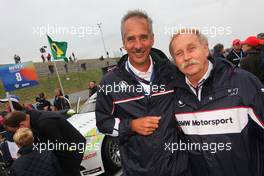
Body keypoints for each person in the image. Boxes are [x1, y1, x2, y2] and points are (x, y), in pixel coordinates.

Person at [96, 10, 189, 176]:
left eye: (144, 37)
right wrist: (131, 126)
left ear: (152, 39)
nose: (138, 45)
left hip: (178, 168)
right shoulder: (109, 83)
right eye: (131, 39)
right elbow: (103, 123)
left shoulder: (173, 72)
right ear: (123, 42)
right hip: (137, 171)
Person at [169, 28, 264, 176]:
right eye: (179, 53)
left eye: (191, 48)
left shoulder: (244, 82)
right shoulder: (174, 95)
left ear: (206, 49)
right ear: (175, 61)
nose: (186, 57)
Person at [3, 110, 86, 176]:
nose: (17, 133)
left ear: (21, 125)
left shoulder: (46, 123)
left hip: (70, 154)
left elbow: (58, 150)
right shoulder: (32, 119)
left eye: (14, 131)